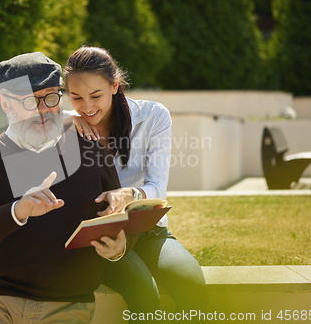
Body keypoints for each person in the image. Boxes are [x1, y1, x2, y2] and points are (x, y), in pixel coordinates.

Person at [0, 52, 136, 324]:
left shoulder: (93, 151)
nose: (43, 108)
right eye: (30, 100)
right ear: (4, 102)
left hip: (68, 304)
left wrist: (118, 248)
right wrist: (15, 212)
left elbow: (121, 222)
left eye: (51, 97)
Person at [64, 46, 209, 316]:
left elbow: (157, 188)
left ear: (115, 86)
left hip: (147, 231)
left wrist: (130, 193)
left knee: (193, 286)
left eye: (96, 95)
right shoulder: (66, 123)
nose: (86, 107)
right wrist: (66, 119)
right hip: (98, 238)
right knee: (144, 294)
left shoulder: (154, 117)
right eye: (76, 98)